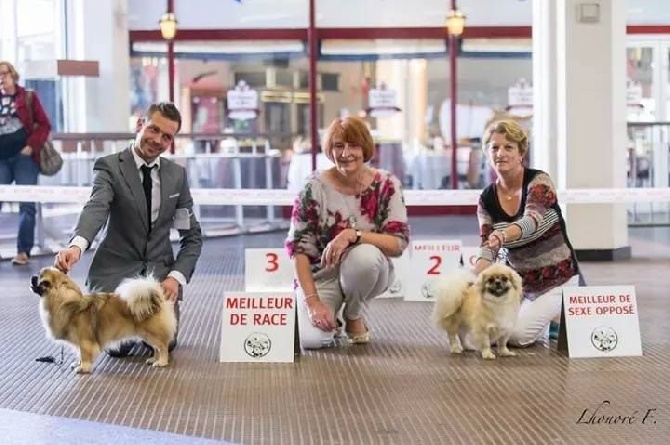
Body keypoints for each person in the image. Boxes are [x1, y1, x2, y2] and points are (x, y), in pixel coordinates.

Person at [54, 102, 202, 356]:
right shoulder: (109, 166)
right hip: (115, 275)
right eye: (154, 129)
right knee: (117, 347)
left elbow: (191, 237)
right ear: (140, 124)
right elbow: (96, 207)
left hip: (157, 280)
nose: (157, 140)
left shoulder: (177, 176)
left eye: (167, 136)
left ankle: (140, 327)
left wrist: (175, 278)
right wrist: (77, 245)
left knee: (165, 343)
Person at [285, 116, 410, 350]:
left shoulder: (387, 184)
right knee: (312, 340)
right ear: (329, 149)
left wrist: (354, 235)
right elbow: (298, 250)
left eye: (353, 145)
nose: (346, 153)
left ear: (365, 147)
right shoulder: (312, 186)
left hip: (368, 271)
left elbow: (398, 243)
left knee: (364, 257)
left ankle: (353, 314)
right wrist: (313, 303)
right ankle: (334, 315)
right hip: (322, 276)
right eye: (338, 146)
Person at [473, 119, 583, 346]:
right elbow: (487, 246)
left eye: (508, 147)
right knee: (488, 333)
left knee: (514, 336)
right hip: (521, 285)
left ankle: (557, 314)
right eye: (494, 147)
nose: (500, 153)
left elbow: (532, 220)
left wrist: (503, 235)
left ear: (521, 153)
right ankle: (546, 317)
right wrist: (472, 279)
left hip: (558, 281)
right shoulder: (486, 198)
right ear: (487, 153)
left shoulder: (539, 182)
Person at [0, 61, 52, 265]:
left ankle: (23, 251)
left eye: (4, 74)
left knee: (27, 203)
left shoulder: (27, 96)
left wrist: (31, 146)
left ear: (13, 75)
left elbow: (45, 124)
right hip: (1, 159)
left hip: (24, 157)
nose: (1, 78)